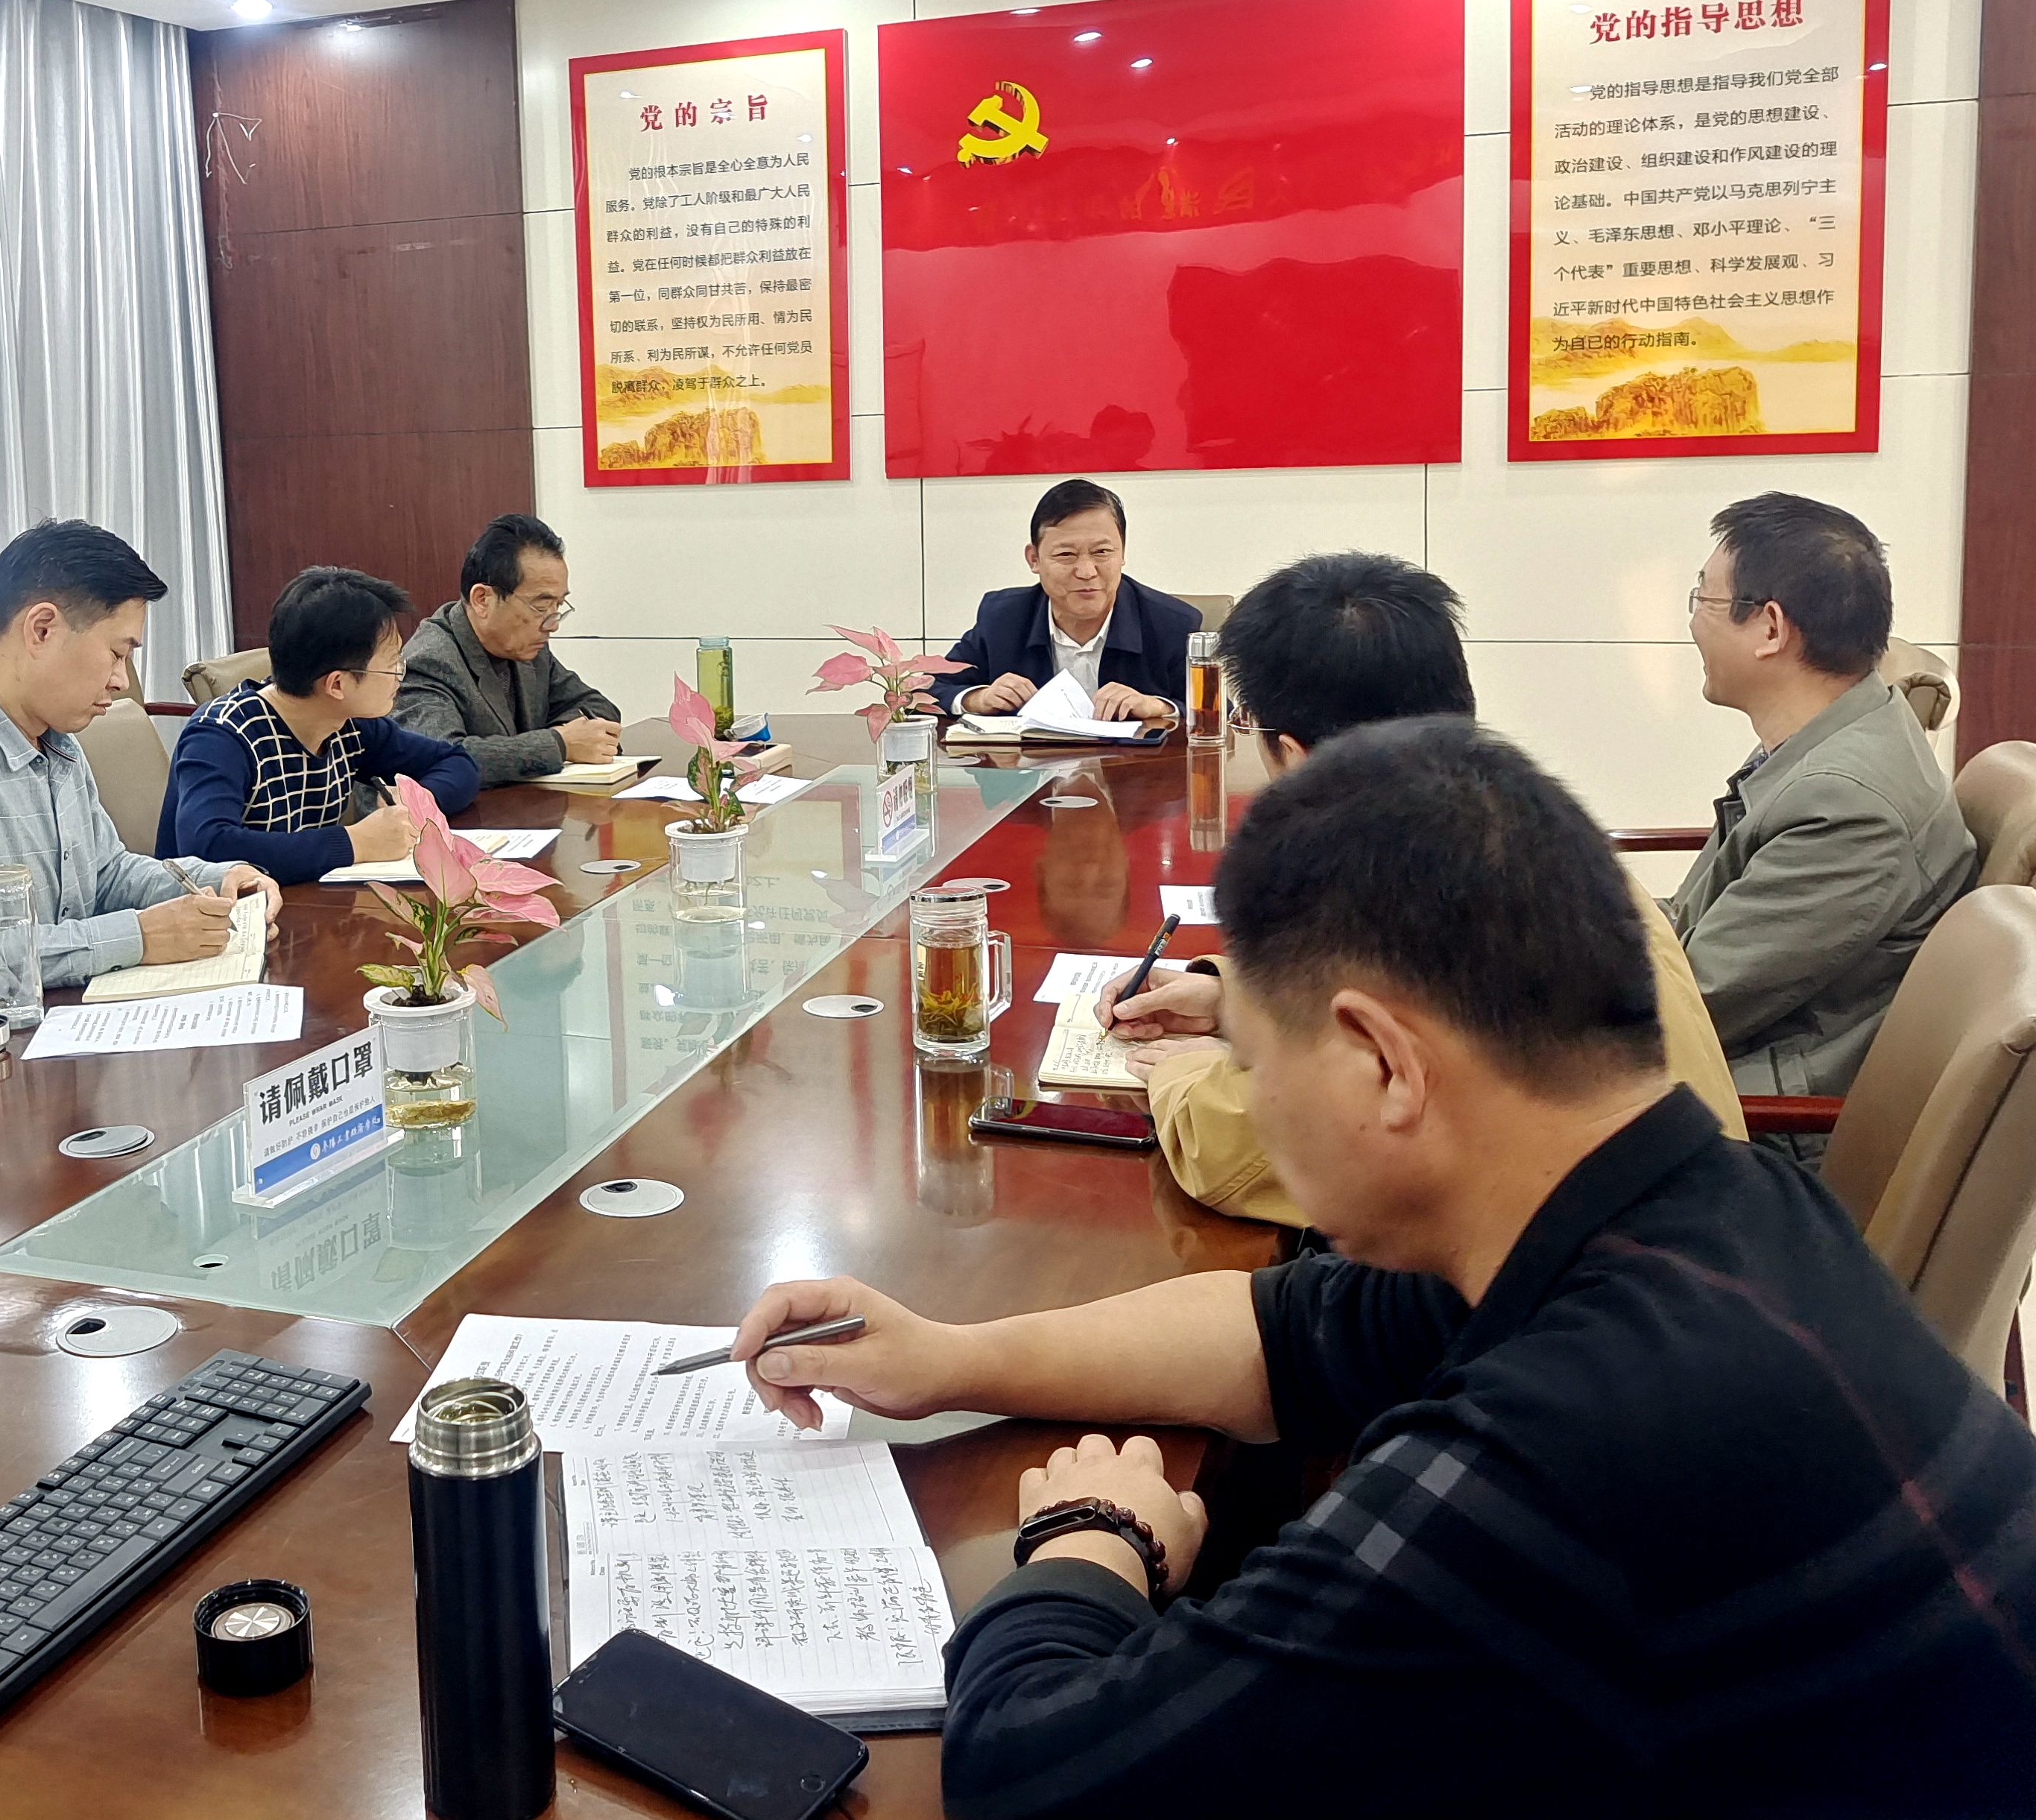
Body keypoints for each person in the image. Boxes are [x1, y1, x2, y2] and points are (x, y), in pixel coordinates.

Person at [729, 721, 2036, 1816]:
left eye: (1252, 1056)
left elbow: (1034, 1774)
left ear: (1382, 1062)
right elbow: (1287, 1331)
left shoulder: (1566, 1452)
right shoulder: (1707, 1203)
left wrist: (1089, 1540)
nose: (1247, 1095)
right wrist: (951, 1356)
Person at [1101, 552, 1745, 1225]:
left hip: (1600, 1271)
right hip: (1703, 1231)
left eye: (1246, 724)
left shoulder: (1400, 890)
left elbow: (1240, 1152)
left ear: (1295, 756)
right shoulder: (1513, 822)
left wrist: (1179, 1076)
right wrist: (1230, 998)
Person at [0, 520, 280, 1032]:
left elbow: (105, 875)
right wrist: (138, 937)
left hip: (56, 1030)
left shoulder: (55, 738)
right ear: (42, 629)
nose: (121, 681)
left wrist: (218, 881)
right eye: (117, 653)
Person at [1670, 494, 1973, 1125]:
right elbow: (1691, 929)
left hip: (1756, 1123)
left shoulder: (1846, 804)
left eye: (1704, 596)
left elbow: (1692, 1006)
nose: (1694, 620)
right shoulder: (1836, 731)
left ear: (1771, 629)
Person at [160, 567, 478, 884]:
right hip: (215, 911)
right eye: (392, 663)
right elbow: (207, 848)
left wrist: (416, 801)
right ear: (337, 684)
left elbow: (456, 762)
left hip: (302, 900)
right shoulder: (221, 735)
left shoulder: (350, 724)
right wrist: (355, 843)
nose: (400, 675)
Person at [393, 513, 625, 785]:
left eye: (558, 606)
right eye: (541, 606)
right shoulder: (429, 661)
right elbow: (441, 759)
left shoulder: (527, 648)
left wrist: (572, 737)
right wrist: (559, 744)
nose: (552, 625)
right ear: (482, 599)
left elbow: (597, 706)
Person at [941, 480, 1195, 724]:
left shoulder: (1171, 624)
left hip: (1130, 757)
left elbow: (1212, 709)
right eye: (1066, 554)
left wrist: (1159, 707)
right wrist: (977, 698)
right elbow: (933, 686)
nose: (1086, 572)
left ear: (1122, 553)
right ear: (1034, 559)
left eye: (1102, 552)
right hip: (1032, 756)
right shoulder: (1003, 617)